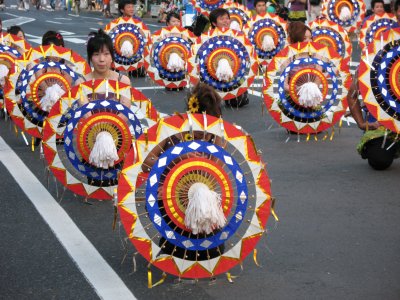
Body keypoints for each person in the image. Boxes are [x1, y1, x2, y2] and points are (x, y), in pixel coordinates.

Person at [347, 68, 399, 170]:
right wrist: (361, 123)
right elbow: (352, 96)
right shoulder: (369, 65)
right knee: (380, 160)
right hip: (383, 127)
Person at [209, 8, 250, 108]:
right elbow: (202, 58)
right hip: (212, 72)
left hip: (234, 71)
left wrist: (238, 61)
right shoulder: (207, 37)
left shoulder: (237, 35)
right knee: (209, 103)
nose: (226, 21)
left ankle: (234, 92)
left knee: (238, 103)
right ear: (214, 23)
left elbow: (245, 55)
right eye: (222, 19)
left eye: (227, 18)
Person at [84, 29, 131, 107]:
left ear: (112, 57)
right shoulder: (81, 83)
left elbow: (125, 113)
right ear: (90, 58)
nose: (101, 59)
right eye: (96, 54)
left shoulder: (123, 81)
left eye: (106, 54)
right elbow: (85, 113)